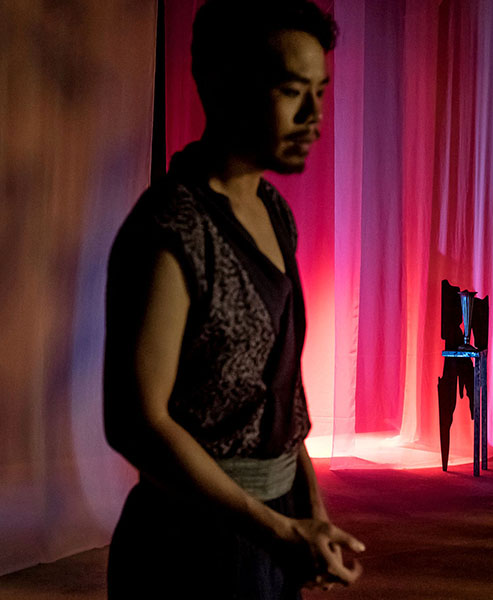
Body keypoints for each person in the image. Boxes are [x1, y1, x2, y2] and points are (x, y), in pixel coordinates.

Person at [103, 1, 364, 597]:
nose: (314, 116)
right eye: (292, 92)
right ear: (222, 86)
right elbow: (137, 423)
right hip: (188, 541)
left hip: (274, 526)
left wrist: (310, 512)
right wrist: (274, 529)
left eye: (320, 92)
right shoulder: (172, 228)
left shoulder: (273, 210)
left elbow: (283, 391)